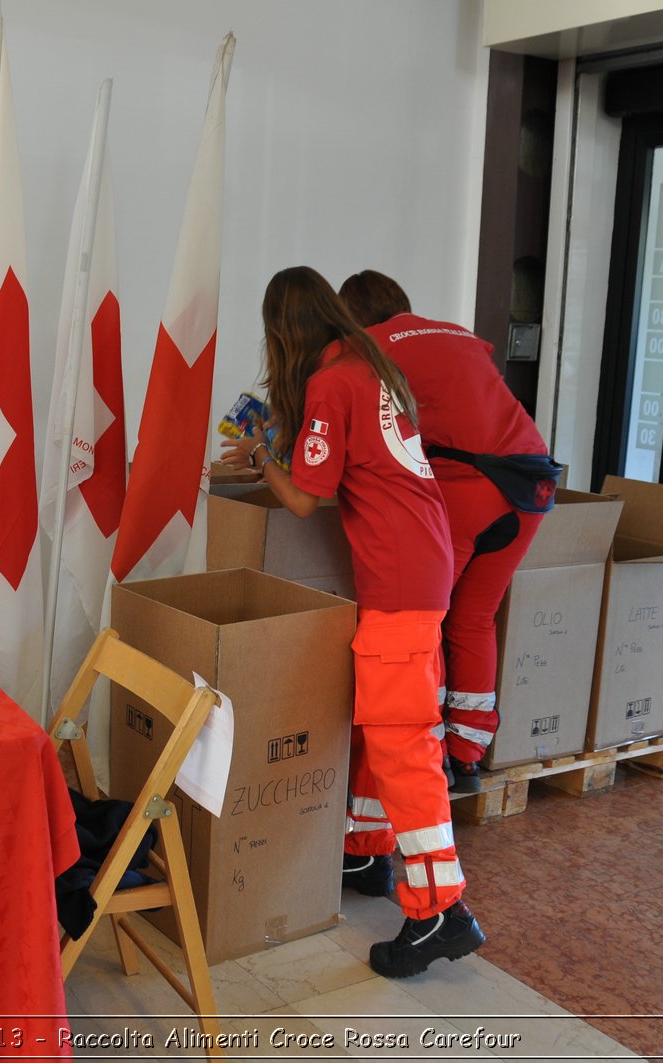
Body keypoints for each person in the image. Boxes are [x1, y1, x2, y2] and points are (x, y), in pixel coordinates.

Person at [220, 266, 483, 979]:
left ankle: (440, 910)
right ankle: (366, 848)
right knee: (385, 724)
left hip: (398, 579)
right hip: (424, 560)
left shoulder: (329, 384)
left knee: (402, 745)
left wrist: (261, 459)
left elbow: (307, 498)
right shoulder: (374, 365)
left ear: (286, 333)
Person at [338, 271, 555, 789]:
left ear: (350, 317)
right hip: (533, 486)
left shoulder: (370, 347)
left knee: (424, 622)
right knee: (475, 617)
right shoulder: (457, 334)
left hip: (468, 487)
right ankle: (466, 755)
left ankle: (422, 751)